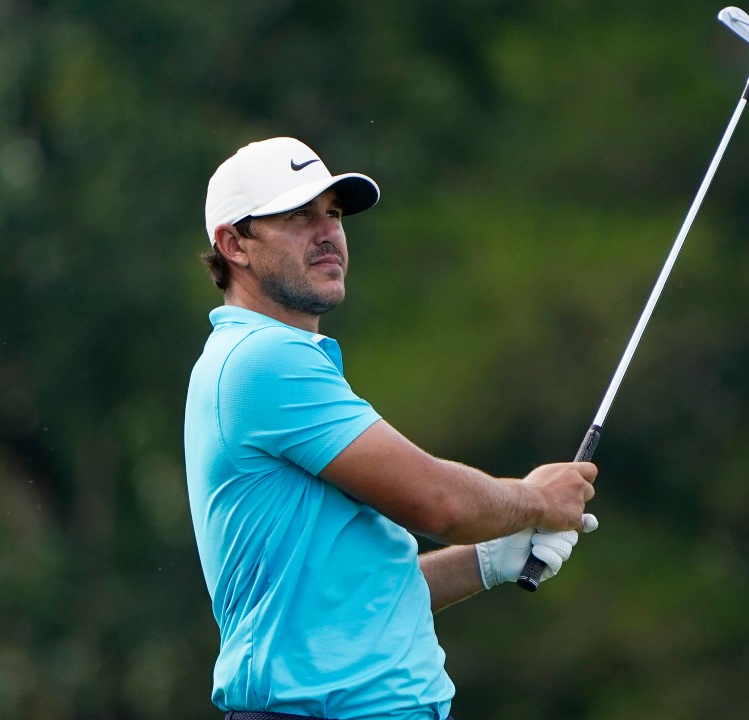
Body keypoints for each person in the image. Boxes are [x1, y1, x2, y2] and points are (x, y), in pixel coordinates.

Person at [184, 137, 599, 720]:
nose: (327, 233)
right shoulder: (263, 361)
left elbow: (354, 605)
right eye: (299, 217)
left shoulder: (275, 360)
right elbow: (440, 504)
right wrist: (535, 500)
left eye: (333, 215)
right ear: (234, 245)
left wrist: (486, 559)